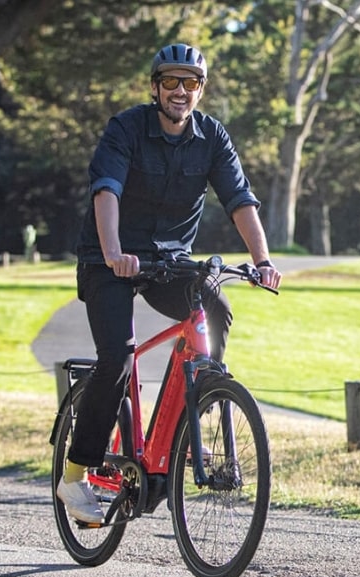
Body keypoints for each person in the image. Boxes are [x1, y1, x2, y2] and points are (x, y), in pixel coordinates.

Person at [56, 44, 282, 524]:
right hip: (109, 260)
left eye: (191, 83)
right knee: (117, 358)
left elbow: (239, 199)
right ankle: (75, 474)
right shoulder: (126, 128)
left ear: (201, 89)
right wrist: (113, 252)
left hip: (169, 262)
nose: (181, 91)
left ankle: (191, 418)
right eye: (172, 82)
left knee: (215, 309)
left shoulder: (212, 136)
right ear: (155, 87)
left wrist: (261, 261)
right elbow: (107, 190)